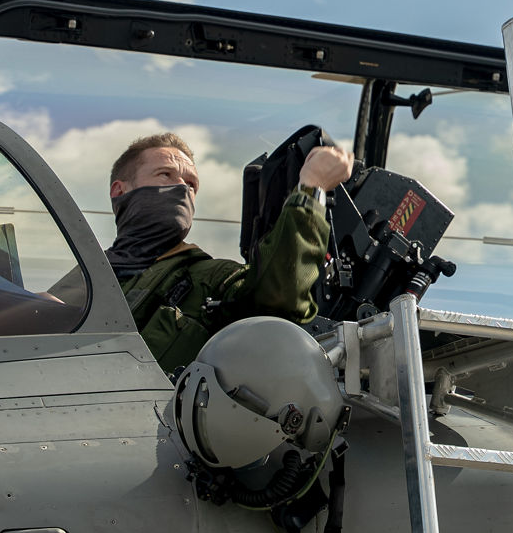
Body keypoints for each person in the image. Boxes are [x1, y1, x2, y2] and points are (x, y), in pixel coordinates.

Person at [105, 132, 353, 373]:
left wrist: (311, 188)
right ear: (119, 191)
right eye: (165, 174)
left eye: (191, 184)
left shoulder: (209, 278)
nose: (182, 188)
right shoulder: (86, 278)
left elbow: (279, 298)